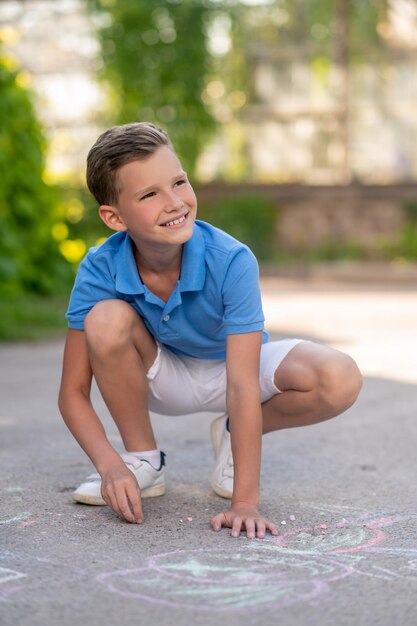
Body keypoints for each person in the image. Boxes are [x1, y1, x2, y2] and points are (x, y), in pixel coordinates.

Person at [58, 122, 362, 539]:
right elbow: (72, 392)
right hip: (162, 376)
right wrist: (109, 465)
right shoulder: (98, 267)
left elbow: (241, 385)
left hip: (237, 374)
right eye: (149, 194)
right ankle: (143, 460)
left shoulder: (231, 259)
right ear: (114, 217)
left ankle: (234, 431)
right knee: (105, 318)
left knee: (339, 377)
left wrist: (244, 503)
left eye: (179, 182)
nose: (175, 203)